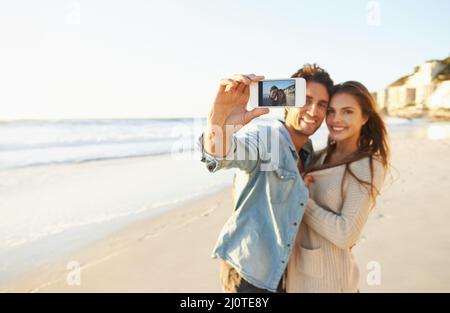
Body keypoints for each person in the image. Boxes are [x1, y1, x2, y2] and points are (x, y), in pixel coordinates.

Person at [199, 64, 333, 292]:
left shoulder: (308, 151)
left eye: (322, 105)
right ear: (286, 103)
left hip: (280, 274)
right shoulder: (267, 137)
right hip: (248, 274)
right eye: (305, 100)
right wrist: (218, 123)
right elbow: (226, 153)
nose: (313, 111)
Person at [285, 81, 390, 293]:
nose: (336, 120)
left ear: (365, 117)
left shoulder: (368, 165)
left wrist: (301, 198)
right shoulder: (320, 156)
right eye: (331, 111)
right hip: (297, 279)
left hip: (330, 283)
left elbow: (345, 234)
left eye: (348, 112)